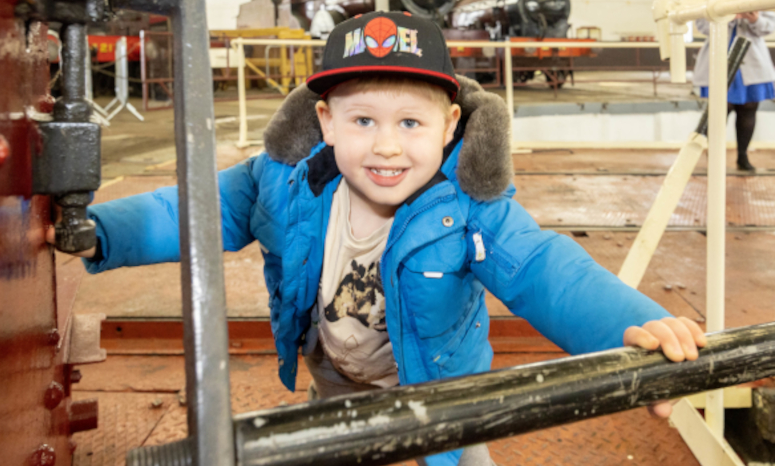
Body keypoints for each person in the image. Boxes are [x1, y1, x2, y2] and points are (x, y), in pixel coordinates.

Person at [50, 12, 706, 466]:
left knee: (457, 458)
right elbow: (186, 210)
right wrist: (99, 229)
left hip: (444, 390)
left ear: (449, 126)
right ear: (326, 122)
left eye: (411, 123)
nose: (387, 146)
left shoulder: (471, 210)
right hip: (335, 374)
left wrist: (634, 323)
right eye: (363, 119)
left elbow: (545, 270)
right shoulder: (277, 185)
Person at [693, 11, 775, 171]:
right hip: (718, 61)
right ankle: (715, 158)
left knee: (748, 109)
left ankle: (743, 156)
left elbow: (769, 26)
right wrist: (728, 17)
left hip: (752, 62)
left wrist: (755, 19)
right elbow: (702, 27)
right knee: (719, 111)